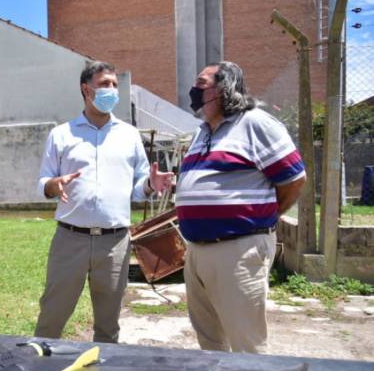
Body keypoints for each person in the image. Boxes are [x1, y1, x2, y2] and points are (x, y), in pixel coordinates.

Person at [35, 61, 174, 343]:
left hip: (114, 243)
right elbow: (44, 181)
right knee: (52, 318)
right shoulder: (62, 135)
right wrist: (52, 185)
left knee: (108, 325)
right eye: (104, 84)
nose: (111, 90)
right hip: (70, 239)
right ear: (86, 89)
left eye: (114, 84)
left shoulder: (129, 135)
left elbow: (138, 187)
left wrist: (150, 185)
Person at [175, 61, 306, 353]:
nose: (194, 90)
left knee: (246, 342)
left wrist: (262, 218)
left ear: (223, 88)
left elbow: (294, 180)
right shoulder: (202, 132)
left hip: (237, 249)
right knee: (209, 340)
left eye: (201, 83)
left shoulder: (255, 123)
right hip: (197, 250)